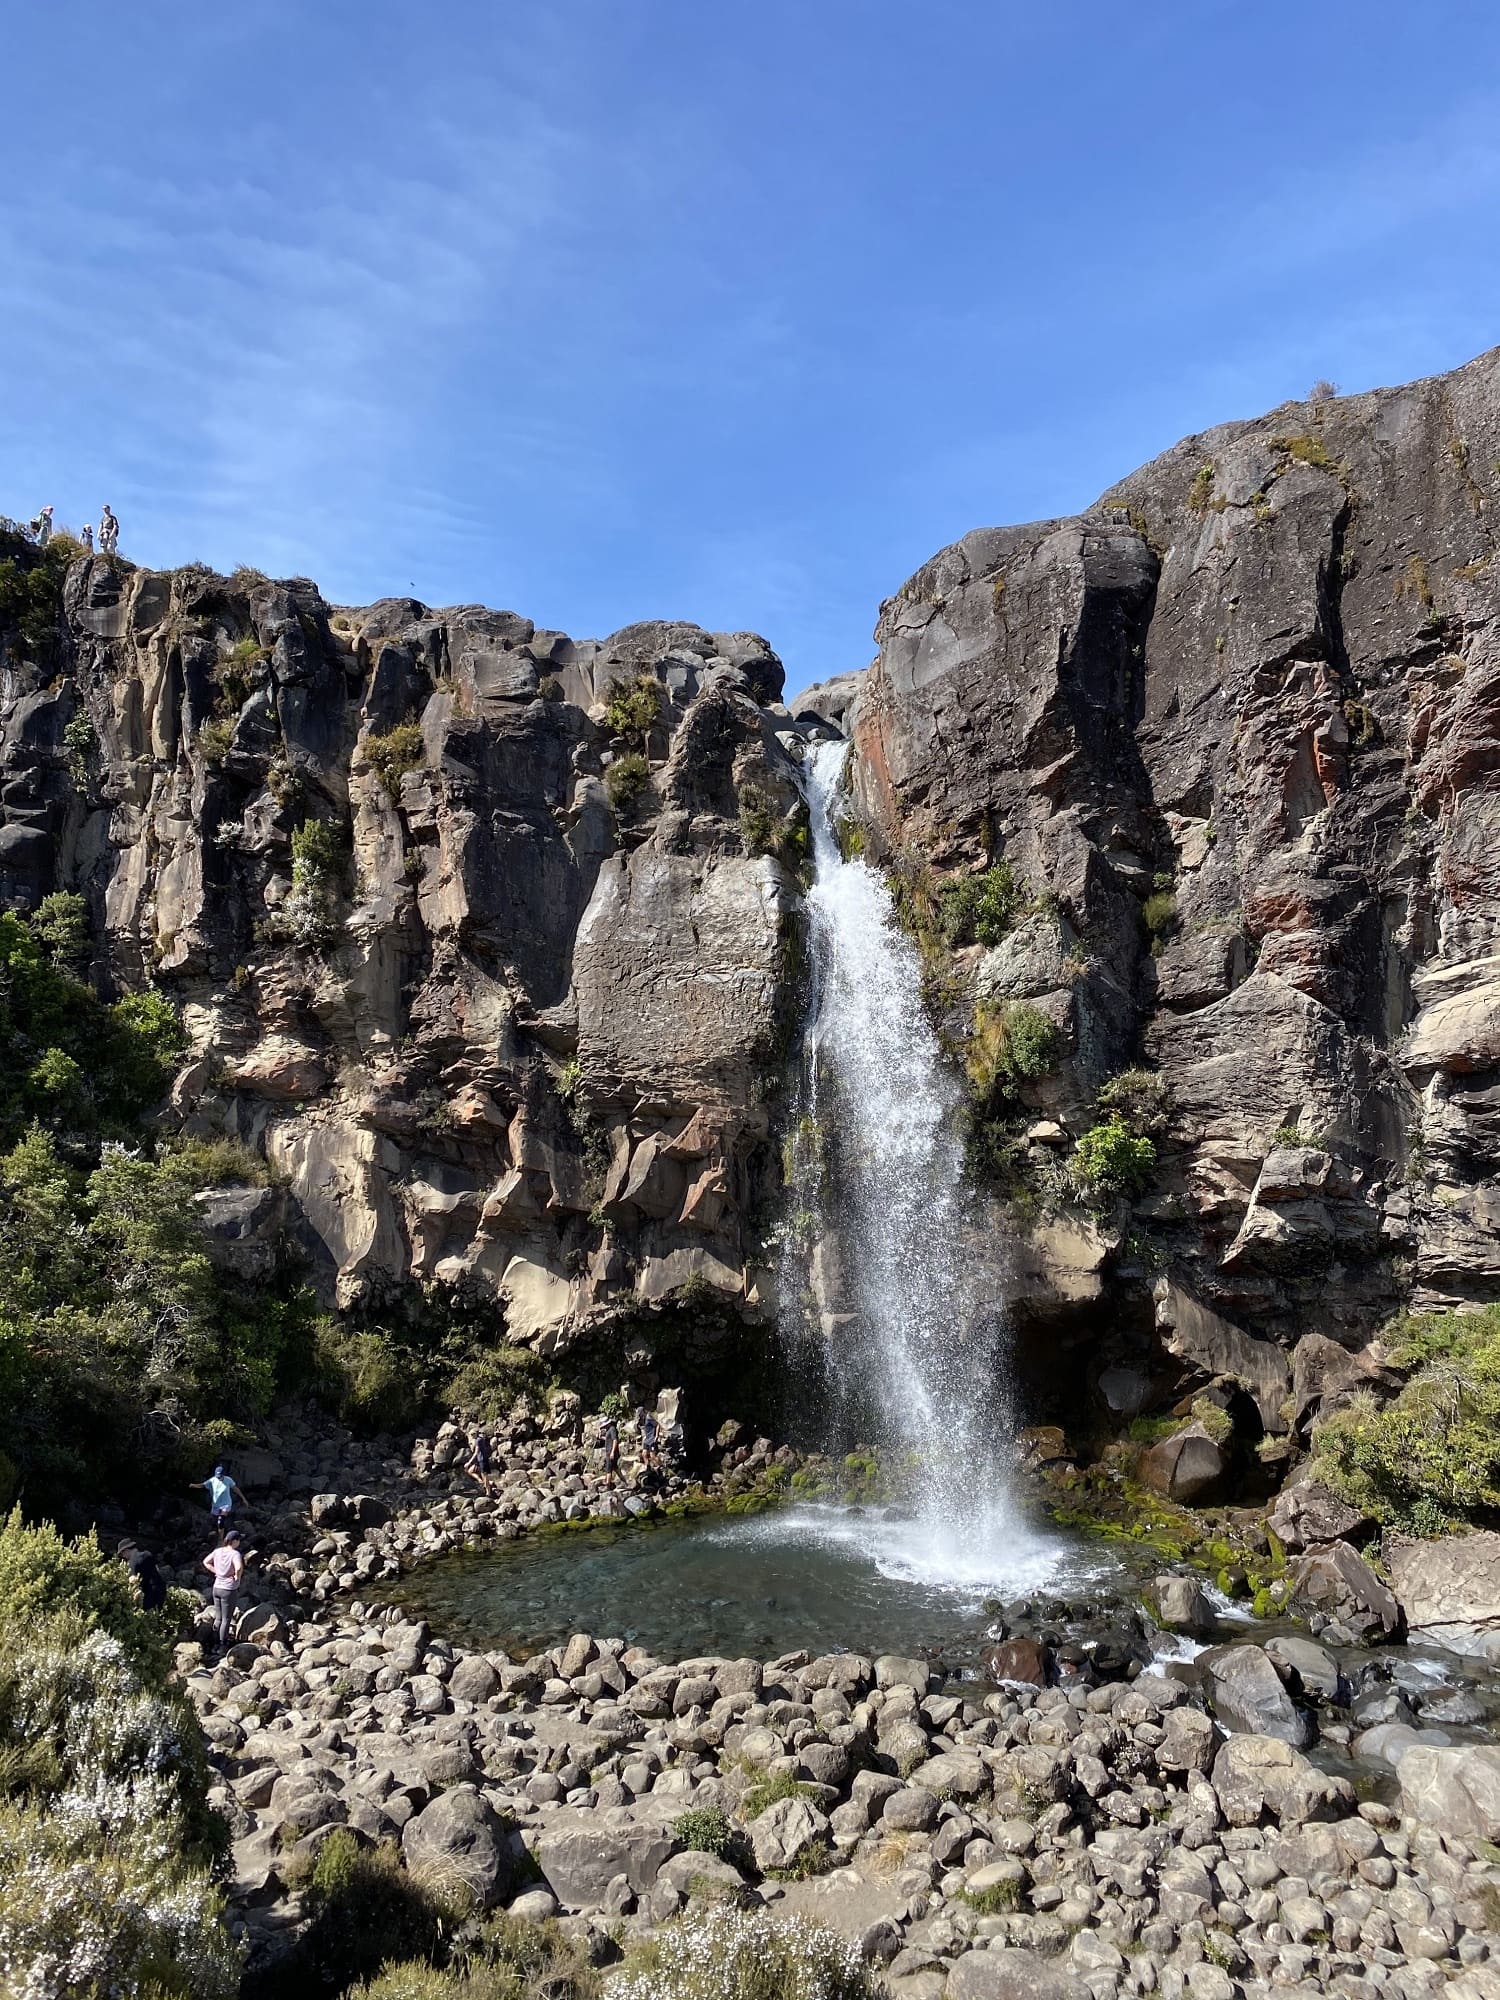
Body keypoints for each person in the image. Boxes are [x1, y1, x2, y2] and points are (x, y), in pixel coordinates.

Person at [202, 1530, 245, 1651]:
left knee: (218, 1618)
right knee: (226, 1619)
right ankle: (222, 1645)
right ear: (234, 1541)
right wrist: (237, 1577)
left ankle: (214, 1643)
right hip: (229, 1589)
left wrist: (216, 1571)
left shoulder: (218, 1551)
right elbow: (238, 1567)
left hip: (216, 1588)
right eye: (239, 1540)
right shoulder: (235, 1554)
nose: (239, 1542)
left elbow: (206, 1562)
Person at [117, 1538, 168, 1611]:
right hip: (161, 1589)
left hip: (149, 1594)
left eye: (121, 1554)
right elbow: (157, 1569)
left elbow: (133, 1580)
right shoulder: (147, 1554)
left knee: (150, 1615)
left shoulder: (132, 1562)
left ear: (125, 1550)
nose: (122, 1556)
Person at [193, 1463, 246, 1530]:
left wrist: (243, 1498)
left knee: (220, 1521)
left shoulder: (228, 1480)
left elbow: (236, 1489)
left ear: (223, 1475)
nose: (219, 1478)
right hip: (216, 1504)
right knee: (214, 1523)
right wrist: (193, 1485)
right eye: (217, 1477)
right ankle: (221, 1531)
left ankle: (222, 1535)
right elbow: (202, 1485)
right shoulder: (212, 1480)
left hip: (226, 1504)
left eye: (220, 1476)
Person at [463, 1427, 493, 1498]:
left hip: (482, 1460)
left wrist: (469, 1462)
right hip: (479, 1460)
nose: (472, 1435)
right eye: (471, 1434)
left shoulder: (478, 1440)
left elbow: (476, 1452)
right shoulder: (480, 1439)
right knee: (470, 1471)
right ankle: (481, 1482)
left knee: (484, 1476)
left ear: (476, 1433)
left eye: (473, 1434)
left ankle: (488, 1493)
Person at [600, 1413, 620, 1486]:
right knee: (615, 1468)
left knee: (608, 1469)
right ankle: (625, 1482)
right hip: (609, 1451)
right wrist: (602, 1438)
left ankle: (607, 1484)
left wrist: (612, 1452)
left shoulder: (612, 1429)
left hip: (611, 1451)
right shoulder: (609, 1429)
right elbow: (609, 1439)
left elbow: (615, 1440)